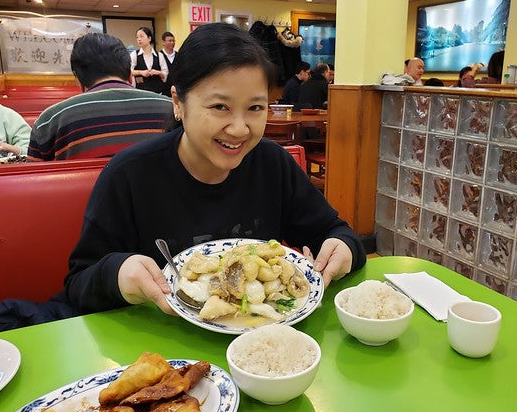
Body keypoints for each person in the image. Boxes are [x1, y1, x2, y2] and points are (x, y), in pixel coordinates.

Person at [57, 23, 366, 316]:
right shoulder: (130, 174)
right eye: (220, 107)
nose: (240, 128)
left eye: (256, 108)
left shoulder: (271, 163)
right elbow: (79, 282)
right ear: (178, 102)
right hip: (162, 348)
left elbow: (336, 232)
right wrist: (118, 274)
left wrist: (343, 249)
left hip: (259, 347)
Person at [28, 33, 172, 161]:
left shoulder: (49, 120)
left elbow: (32, 180)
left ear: (78, 79)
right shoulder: (173, 108)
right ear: (129, 75)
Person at [130, 27, 169, 94]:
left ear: (149, 38)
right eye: (137, 37)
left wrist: (158, 72)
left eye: (141, 36)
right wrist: (141, 72)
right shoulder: (134, 55)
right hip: (140, 93)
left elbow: (165, 74)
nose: (139, 39)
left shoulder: (159, 55)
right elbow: (129, 71)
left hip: (158, 93)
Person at [160, 31, 178, 96]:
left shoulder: (178, 55)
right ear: (163, 42)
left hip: (176, 90)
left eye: (173, 41)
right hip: (163, 91)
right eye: (169, 41)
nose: (172, 43)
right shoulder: (159, 56)